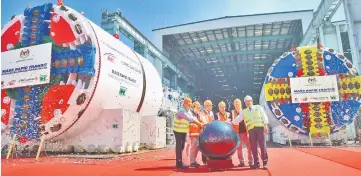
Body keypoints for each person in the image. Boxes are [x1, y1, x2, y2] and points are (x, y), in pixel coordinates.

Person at [228, 95, 269, 170]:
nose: (248, 103)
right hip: (251, 130)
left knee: (262, 146)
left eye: (249, 101)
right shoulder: (244, 111)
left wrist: (265, 124)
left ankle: (265, 163)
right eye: (246, 102)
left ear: (251, 101)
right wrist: (231, 123)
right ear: (245, 103)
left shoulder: (258, 107)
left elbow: (264, 116)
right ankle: (256, 164)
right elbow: (238, 119)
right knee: (253, 147)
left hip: (260, 128)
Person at [173, 97, 203, 169]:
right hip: (178, 131)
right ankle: (178, 163)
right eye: (188, 105)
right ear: (184, 104)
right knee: (179, 147)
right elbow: (190, 118)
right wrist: (199, 124)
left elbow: (193, 117)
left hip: (183, 131)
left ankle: (179, 162)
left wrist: (199, 122)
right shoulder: (181, 111)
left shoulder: (188, 110)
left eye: (190, 105)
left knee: (182, 146)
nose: (190, 106)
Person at [231, 99, 253, 167]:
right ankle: (241, 161)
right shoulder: (231, 112)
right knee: (239, 148)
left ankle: (250, 161)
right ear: (234, 105)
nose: (237, 105)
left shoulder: (245, 111)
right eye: (236, 104)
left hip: (246, 132)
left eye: (238, 104)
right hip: (237, 133)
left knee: (250, 147)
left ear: (241, 104)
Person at [199, 100, 214, 164]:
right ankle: (204, 160)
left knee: (210, 146)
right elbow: (203, 121)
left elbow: (212, 121)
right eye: (210, 105)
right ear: (206, 106)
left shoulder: (211, 113)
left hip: (210, 131)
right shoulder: (201, 113)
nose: (211, 107)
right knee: (204, 146)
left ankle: (210, 158)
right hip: (204, 131)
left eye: (211, 105)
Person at [188, 101, 203, 167]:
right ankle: (192, 162)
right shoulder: (190, 114)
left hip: (197, 133)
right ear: (193, 107)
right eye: (197, 108)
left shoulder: (197, 114)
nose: (198, 109)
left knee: (196, 148)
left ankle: (194, 160)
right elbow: (191, 123)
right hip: (193, 133)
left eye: (199, 108)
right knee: (193, 147)